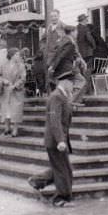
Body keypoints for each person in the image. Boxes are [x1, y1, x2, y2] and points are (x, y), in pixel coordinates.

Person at [28, 74, 75, 207]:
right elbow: (55, 121)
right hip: (55, 140)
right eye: (72, 83)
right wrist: (60, 140)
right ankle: (60, 198)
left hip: (58, 139)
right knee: (63, 169)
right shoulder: (56, 97)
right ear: (65, 82)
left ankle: (37, 181)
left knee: (62, 167)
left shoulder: (62, 96)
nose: (73, 86)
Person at [0, 48, 26, 137]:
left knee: (16, 110)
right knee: (6, 110)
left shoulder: (21, 66)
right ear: (12, 56)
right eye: (17, 54)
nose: (18, 56)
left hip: (16, 91)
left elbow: (23, 78)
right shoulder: (3, 65)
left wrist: (15, 86)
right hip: (6, 91)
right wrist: (4, 81)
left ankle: (15, 129)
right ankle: (7, 128)